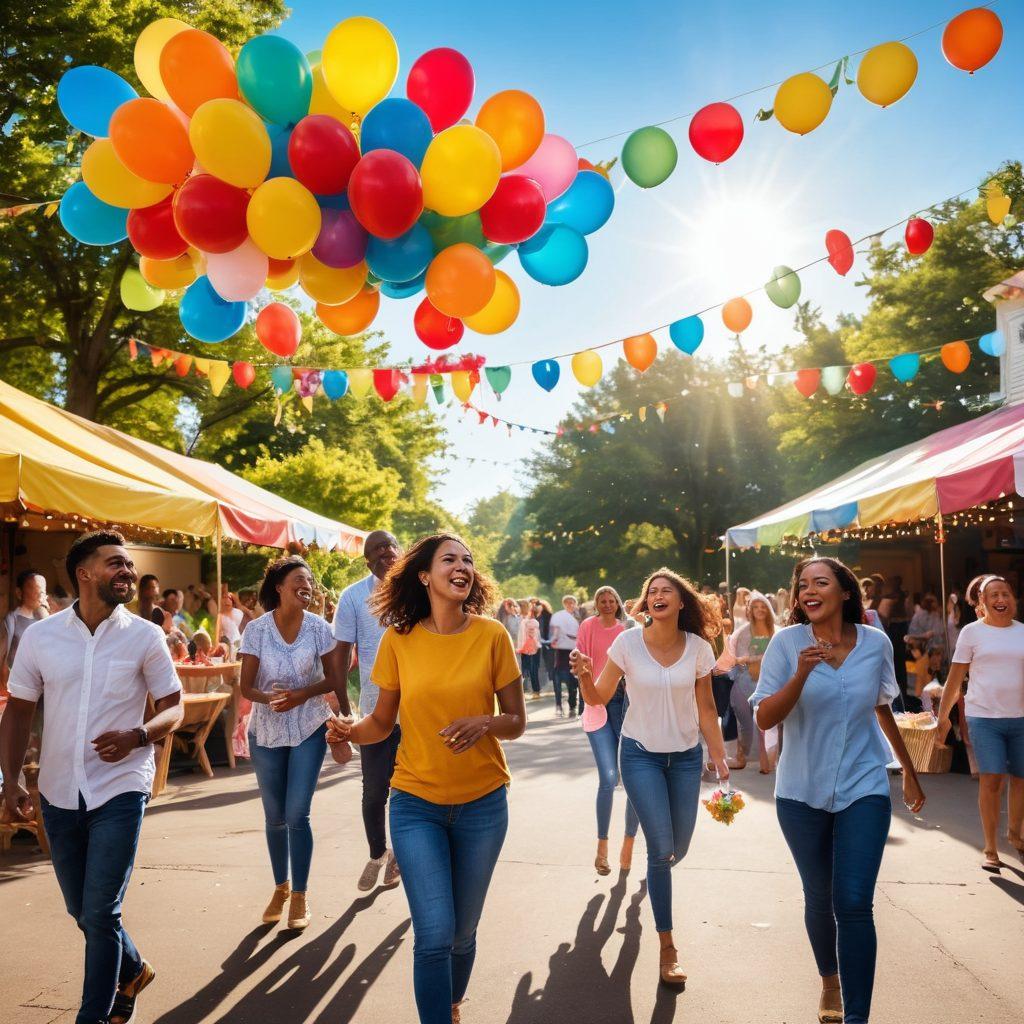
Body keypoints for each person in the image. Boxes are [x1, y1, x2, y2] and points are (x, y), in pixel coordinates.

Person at [328, 534, 526, 1024]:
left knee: (462, 933)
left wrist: (484, 721)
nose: (462, 566)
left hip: (483, 803)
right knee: (434, 933)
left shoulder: (492, 636)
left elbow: (517, 720)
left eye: (468, 561)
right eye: (449, 559)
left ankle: (451, 1003)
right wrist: (348, 731)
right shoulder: (398, 639)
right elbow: (380, 721)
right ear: (424, 576)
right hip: (416, 802)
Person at [0, 531, 184, 1024]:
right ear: (84, 574)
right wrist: (12, 780)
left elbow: (174, 707)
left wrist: (139, 735)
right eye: (115, 564)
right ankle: (134, 970)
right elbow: (18, 711)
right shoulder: (41, 636)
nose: (127, 571)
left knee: (101, 912)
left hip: (121, 786)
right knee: (83, 912)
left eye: (129, 565)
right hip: (58, 791)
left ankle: (92, 1017)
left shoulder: (146, 635)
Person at [753, 556, 925, 1024]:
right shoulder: (787, 644)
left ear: (845, 592)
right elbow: (765, 717)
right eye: (802, 584)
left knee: (852, 902)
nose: (809, 590)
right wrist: (801, 674)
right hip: (800, 790)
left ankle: (858, 1017)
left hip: (864, 783)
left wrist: (907, 769)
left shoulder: (874, 643)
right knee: (820, 896)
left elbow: (882, 706)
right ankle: (829, 979)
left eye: (820, 582)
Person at [572, 568, 729, 989]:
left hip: (684, 759)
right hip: (639, 754)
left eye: (667, 591)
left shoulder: (698, 647)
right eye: (652, 591)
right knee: (661, 854)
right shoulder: (627, 643)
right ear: (645, 603)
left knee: (679, 848)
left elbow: (708, 708)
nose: (658, 596)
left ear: (681, 603)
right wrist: (585, 674)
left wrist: (719, 757)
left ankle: (638, 845)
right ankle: (667, 946)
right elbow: (599, 698)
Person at [239, 556, 350, 931]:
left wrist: (303, 695)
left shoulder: (320, 628)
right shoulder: (256, 630)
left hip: (308, 727)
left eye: (311, 581)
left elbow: (335, 679)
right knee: (274, 818)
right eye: (300, 580)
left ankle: (300, 894)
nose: (308, 586)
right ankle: (280, 887)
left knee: (297, 815)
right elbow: (245, 687)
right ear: (280, 587)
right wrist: (269, 698)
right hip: (266, 732)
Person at [935, 575, 1024, 870]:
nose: (1001, 600)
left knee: (1021, 779)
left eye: (1006, 594)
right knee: (992, 778)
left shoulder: (1022, 632)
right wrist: (943, 718)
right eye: (994, 595)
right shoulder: (971, 633)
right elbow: (955, 678)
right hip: (984, 717)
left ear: (1014, 600)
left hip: (1021, 718)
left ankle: (1014, 832)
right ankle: (990, 846)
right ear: (982, 604)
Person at [332, 529, 404, 891]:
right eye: (376, 549)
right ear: (367, 560)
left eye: (390, 545)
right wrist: (345, 709)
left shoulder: (420, 590)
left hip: (421, 713)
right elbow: (341, 653)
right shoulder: (354, 597)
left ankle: (402, 858)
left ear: (400, 550)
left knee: (414, 792)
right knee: (375, 791)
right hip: (375, 713)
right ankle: (379, 853)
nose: (385, 552)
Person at [576, 586, 639, 876]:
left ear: (616, 604)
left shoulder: (625, 629)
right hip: (597, 702)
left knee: (633, 778)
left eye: (611, 599)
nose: (606, 603)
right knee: (608, 778)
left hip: (624, 702)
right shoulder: (587, 627)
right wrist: (585, 678)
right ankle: (602, 848)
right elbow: (580, 663)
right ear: (596, 604)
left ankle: (628, 843)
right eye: (602, 599)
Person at [729, 591, 776, 772]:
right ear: (750, 610)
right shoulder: (742, 632)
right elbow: (738, 658)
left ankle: (767, 763)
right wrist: (760, 657)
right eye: (755, 606)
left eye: (762, 606)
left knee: (768, 725)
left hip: (769, 683)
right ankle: (742, 758)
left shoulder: (776, 631)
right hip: (745, 682)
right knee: (746, 725)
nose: (759, 610)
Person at [1, 568, 50, 686]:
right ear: (19, 593)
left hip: (39, 681)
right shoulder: (11, 620)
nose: (40, 594)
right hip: (15, 681)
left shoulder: (44, 620)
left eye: (42, 591)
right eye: (34, 589)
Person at [550, 595, 581, 718]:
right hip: (561, 651)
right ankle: (558, 705)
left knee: (573, 681)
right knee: (558, 679)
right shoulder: (559, 616)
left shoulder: (579, 616)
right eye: (567, 603)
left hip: (574, 651)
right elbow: (555, 631)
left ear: (575, 604)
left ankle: (572, 706)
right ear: (564, 604)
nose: (570, 605)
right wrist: (555, 639)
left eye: (572, 602)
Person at [516, 599, 542, 700]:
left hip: (530, 648)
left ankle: (535, 691)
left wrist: (520, 647)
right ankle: (529, 691)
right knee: (525, 670)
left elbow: (529, 635)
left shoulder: (528, 619)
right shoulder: (521, 618)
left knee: (531, 669)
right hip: (526, 648)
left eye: (518, 606)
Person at [906, 592, 945, 656]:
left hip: (929, 648)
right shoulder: (921, 615)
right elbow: (934, 632)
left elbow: (939, 631)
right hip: (919, 648)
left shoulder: (933, 615)